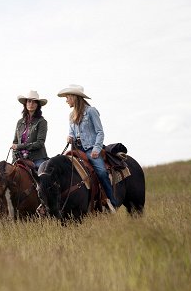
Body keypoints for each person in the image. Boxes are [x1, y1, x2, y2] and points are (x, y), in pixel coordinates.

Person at [57, 84, 117, 212]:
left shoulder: (91, 111)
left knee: (101, 171)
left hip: (91, 149)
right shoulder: (71, 115)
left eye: (67, 97)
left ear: (74, 97)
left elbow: (100, 132)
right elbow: (72, 132)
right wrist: (70, 137)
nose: (66, 100)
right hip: (77, 148)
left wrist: (96, 149)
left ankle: (112, 200)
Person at [10, 90, 49, 169]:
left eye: (34, 102)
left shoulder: (42, 122)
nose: (31, 104)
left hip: (37, 158)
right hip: (20, 158)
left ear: (38, 105)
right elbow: (15, 142)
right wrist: (14, 158)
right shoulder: (20, 122)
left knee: (42, 174)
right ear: (25, 104)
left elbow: (40, 143)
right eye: (29, 101)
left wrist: (20, 146)